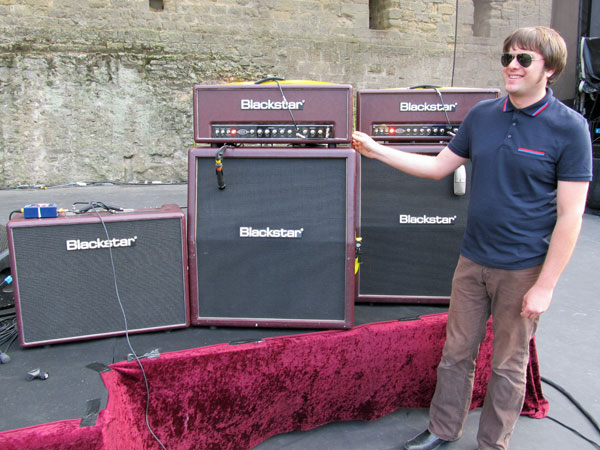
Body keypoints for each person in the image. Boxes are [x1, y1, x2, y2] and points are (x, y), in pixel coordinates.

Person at [352, 26, 592, 450]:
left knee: (507, 365)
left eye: (524, 60)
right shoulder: (482, 115)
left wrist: (546, 286)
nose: (511, 67)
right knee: (456, 354)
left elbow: (571, 216)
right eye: (507, 58)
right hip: (472, 261)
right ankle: (443, 430)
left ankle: (492, 444)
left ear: (550, 69)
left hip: (523, 269)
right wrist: (377, 150)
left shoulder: (569, 129)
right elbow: (437, 168)